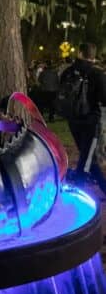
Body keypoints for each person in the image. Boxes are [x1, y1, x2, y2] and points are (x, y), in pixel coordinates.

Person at [61, 42, 106, 196]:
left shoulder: (68, 72)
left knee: (87, 156)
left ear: (79, 53)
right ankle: (79, 189)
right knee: (87, 158)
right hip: (91, 122)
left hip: (73, 121)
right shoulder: (97, 74)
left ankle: (91, 185)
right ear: (93, 56)